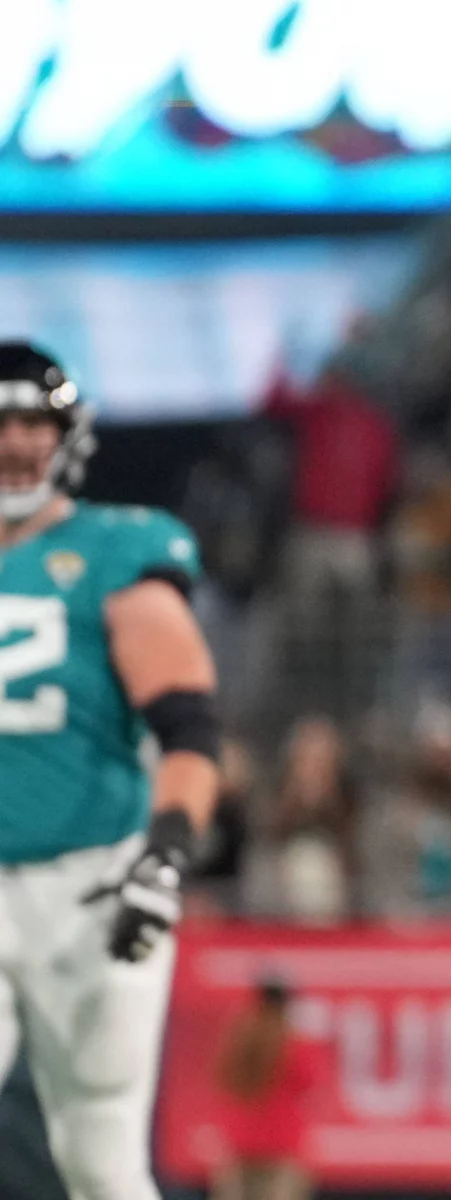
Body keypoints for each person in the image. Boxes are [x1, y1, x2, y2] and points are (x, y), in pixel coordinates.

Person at [0, 342, 221, 1199]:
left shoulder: (117, 549)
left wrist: (164, 855)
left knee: (102, 1160)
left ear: (67, 438)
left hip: (91, 878)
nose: (15, 442)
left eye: (32, 423)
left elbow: (191, 728)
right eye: (0, 423)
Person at [212, 978, 321, 1200]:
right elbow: (309, 1079)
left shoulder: (241, 1037)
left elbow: (222, 1076)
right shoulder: (292, 1040)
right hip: (282, 1142)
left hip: (241, 1137)